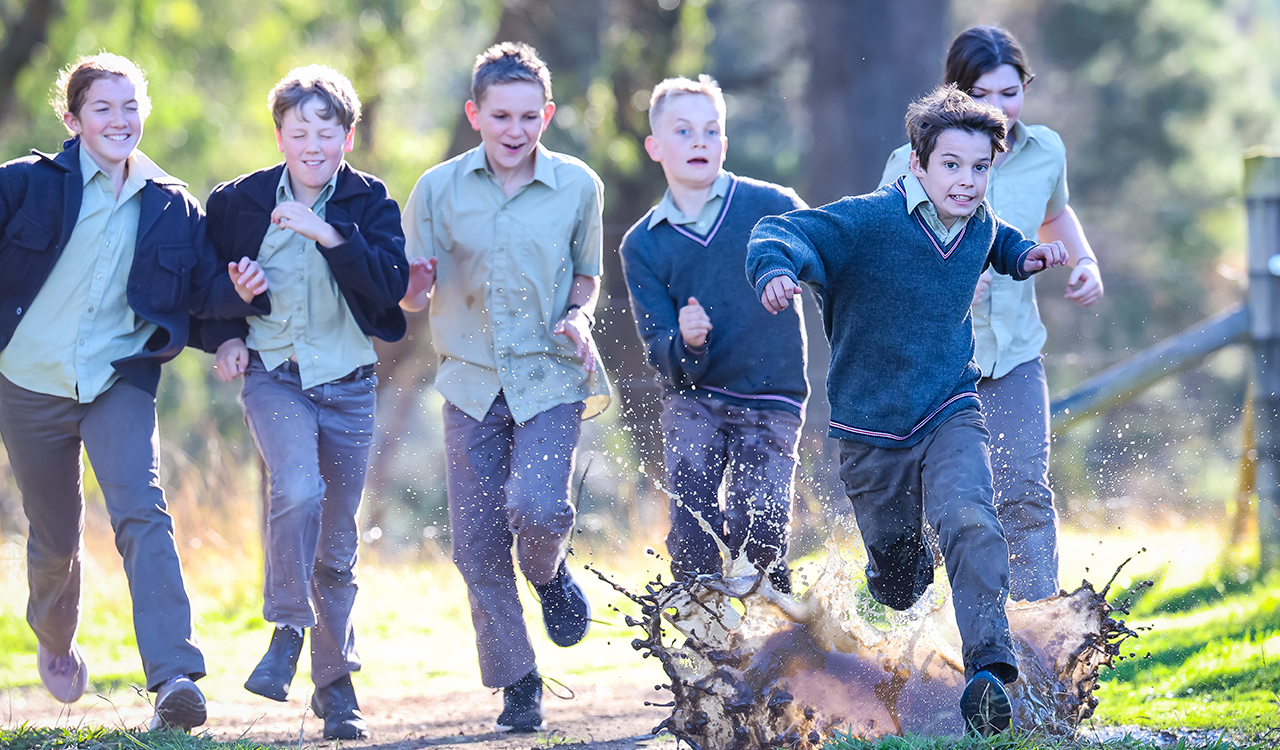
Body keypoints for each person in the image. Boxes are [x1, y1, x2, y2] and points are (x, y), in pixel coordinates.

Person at [746, 86, 1069, 736]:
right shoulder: (869, 221)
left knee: (973, 518)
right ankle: (896, 570)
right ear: (917, 164)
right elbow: (780, 231)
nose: (968, 181)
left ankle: (990, 675)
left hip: (950, 406)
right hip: (872, 430)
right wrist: (775, 272)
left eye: (980, 168)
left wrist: (1023, 257)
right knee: (900, 580)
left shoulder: (977, 222)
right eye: (952, 164)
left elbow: (994, 239)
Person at [0, 53, 266, 731]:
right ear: (73, 119)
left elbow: (202, 290)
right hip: (29, 382)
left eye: (129, 107)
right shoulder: (27, 186)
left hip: (118, 378)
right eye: (101, 108)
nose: (119, 120)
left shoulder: (173, 204)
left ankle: (175, 679)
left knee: (143, 513)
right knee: (55, 538)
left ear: (144, 113)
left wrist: (235, 313)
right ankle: (55, 635)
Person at [399, 42, 609, 733]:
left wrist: (578, 315)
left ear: (546, 113)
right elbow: (410, 289)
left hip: (553, 372)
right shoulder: (436, 188)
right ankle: (519, 682)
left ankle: (548, 577)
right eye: (499, 117)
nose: (514, 131)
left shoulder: (579, 184)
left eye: (528, 116)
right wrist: (415, 287)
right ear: (474, 114)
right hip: (469, 381)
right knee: (478, 546)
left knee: (539, 508)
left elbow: (587, 274)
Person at [195, 65, 408, 741]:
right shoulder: (239, 201)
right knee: (295, 486)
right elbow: (212, 286)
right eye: (298, 129)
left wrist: (328, 235)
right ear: (280, 135)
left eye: (327, 129)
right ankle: (287, 628)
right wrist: (231, 325)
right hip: (274, 377)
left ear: (349, 134)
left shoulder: (369, 203)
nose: (313, 141)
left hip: (348, 387)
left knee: (337, 547)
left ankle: (336, 687)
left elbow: (389, 286)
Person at [880, 25, 1104, 602]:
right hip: (939, 367)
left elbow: (1056, 214)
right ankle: (940, 645)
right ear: (954, 92)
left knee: (1025, 494)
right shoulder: (909, 163)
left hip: (1016, 356)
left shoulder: (1045, 150)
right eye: (982, 95)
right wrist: (945, 283)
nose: (999, 107)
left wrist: (1084, 261)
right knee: (950, 510)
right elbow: (883, 251)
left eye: (1011, 92)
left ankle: (1041, 645)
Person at [619, 75, 808, 594]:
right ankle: (705, 645)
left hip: (771, 392)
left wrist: (795, 270)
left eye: (710, 131)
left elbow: (834, 260)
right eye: (683, 131)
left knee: (761, 527)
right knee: (694, 533)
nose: (699, 141)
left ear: (724, 144)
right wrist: (688, 341)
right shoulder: (644, 244)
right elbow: (659, 347)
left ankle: (773, 632)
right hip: (693, 397)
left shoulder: (773, 205)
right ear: (655, 147)